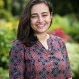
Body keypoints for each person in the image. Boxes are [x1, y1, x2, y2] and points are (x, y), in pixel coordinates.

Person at [9, 0, 72, 79]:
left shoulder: (59, 42)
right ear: (28, 18)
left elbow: (68, 75)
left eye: (44, 15)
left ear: (50, 16)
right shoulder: (19, 46)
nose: (40, 20)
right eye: (34, 16)